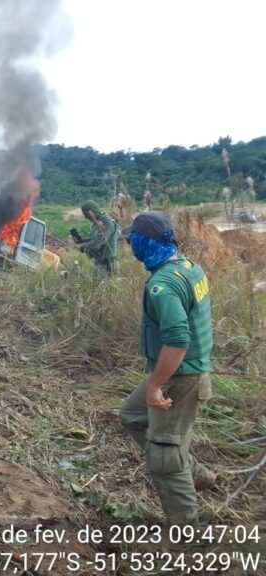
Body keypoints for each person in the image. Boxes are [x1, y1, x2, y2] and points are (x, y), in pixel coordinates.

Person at [119, 212, 216, 527]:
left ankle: (187, 533)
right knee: (133, 415)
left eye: (131, 238)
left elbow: (177, 342)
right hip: (184, 370)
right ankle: (196, 473)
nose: (128, 244)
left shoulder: (163, 286)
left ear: (143, 242)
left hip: (180, 376)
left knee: (163, 457)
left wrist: (154, 386)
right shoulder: (188, 266)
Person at [73, 200, 119, 275]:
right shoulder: (94, 225)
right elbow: (92, 239)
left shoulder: (108, 223)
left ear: (92, 212)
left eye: (87, 215)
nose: (86, 218)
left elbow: (97, 244)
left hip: (108, 263)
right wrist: (81, 241)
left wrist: (82, 246)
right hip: (98, 262)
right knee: (96, 285)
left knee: (104, 286)